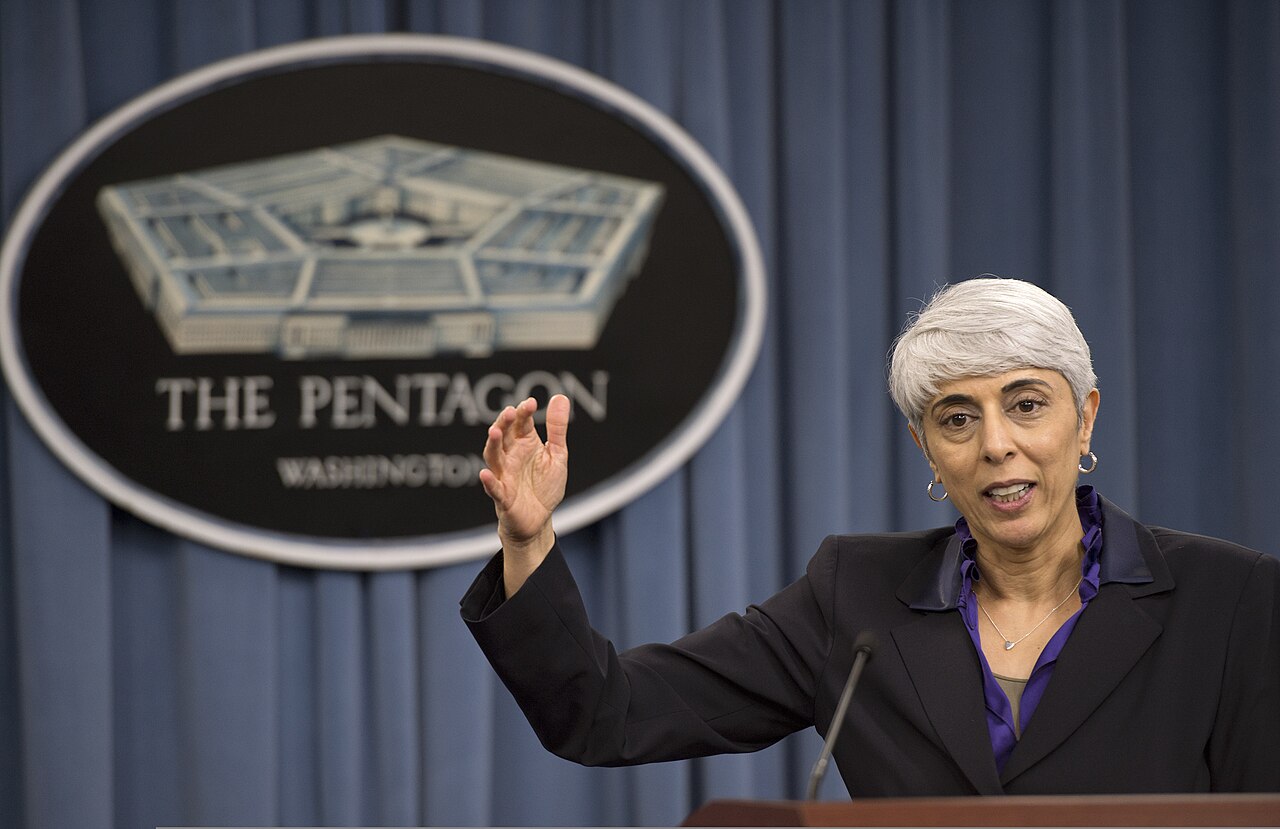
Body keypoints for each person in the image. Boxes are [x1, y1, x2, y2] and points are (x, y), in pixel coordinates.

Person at [461, 276, 1280, 795]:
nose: (997, 444)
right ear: (927, 448)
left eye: (1027, 403)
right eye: (957, 418)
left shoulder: (1230, 599)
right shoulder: (853, 598)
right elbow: (608, 713)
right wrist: (528, 543)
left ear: (1085, 416)